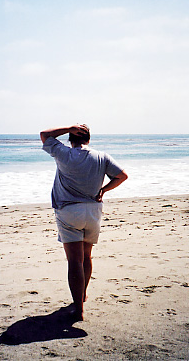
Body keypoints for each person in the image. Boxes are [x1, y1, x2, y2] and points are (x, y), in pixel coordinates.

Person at [40, 124, 128, 321]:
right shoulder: (101, 156)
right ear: (88, 139)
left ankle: (78, 308)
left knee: (74, 261)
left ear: (70, 139)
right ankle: (83, 295)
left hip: (69, 211)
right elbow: (122, 176)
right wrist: (104, 190)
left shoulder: (64, 153)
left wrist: (69, 127)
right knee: (86, 257)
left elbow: (45, 135)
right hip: (93, 211)